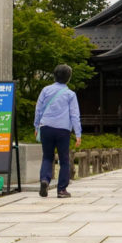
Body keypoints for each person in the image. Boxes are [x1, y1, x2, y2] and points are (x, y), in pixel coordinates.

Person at [33, 63, 82, 198]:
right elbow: (74, 114)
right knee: (64, 159)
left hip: (46, 127)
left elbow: (38, 109)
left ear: (54, 76)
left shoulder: (45, 90)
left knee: (47, 156)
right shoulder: (70, 94)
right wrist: (78, 133)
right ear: (68, 78)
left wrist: (36, 125)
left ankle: (44, 180)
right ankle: (61, 190)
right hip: (63, 129)